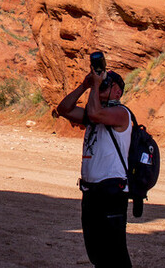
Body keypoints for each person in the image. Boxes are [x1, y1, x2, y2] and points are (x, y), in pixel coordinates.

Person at [55, 65, 133, 268]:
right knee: (97, 253)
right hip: (91, 191)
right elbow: (63, 109)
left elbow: (95, 112)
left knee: (115, 254)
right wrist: (85, 85)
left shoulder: (121, 113)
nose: (102, 86)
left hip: (111, 191)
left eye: (108, 84)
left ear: (118, 91)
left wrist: (95, 86)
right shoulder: (94, 115)